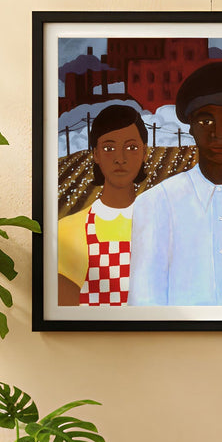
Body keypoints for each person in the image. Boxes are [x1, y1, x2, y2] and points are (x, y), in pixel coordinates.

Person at [128, 61, 222, 306]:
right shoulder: (156, 205)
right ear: (191, 127)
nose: (220, 133)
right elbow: (145, 308)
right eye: (206, 121)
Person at [57, 104, 148, 306]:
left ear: (145, 152)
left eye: (131, 147)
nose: (120, 158)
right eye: (108, 148)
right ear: (95, 154)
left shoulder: (163, 224)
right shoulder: (65, 230)